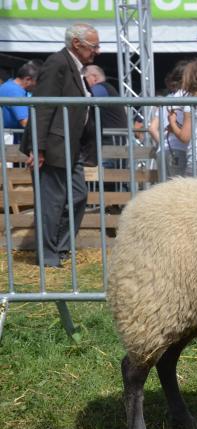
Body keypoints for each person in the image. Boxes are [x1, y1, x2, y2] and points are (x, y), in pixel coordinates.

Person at [20, 23, 99, 268]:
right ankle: (48, 256)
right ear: (76, 43)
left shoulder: (75, 67)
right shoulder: (58, 62)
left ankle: (61, 246)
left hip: (71, 146)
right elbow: (43, 106)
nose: (97, 51)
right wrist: (38, 147)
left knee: (78, 196)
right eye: (93, 46)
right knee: (51, 202)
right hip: (54, 144)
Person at [148, 60, 189, 178]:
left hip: (163, 151)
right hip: (179, 150)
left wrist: (163, 144)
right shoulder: (187, 97)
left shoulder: (167, 99)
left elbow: (152, 128)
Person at [0, 60, 40, 140]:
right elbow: (25, 122)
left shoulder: (8, 85)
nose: (37, 86)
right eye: (36, 82)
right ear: (28, 79)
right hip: (8, 140)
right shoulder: (15, 92)